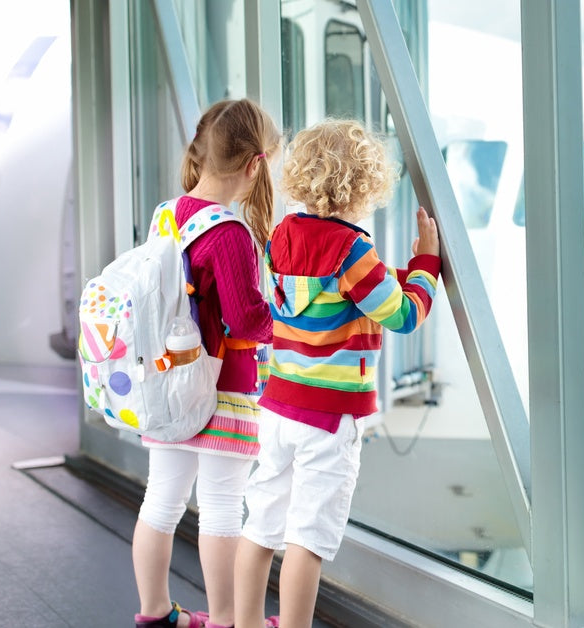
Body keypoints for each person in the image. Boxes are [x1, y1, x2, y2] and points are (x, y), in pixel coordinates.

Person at [233, 119, 441, 628]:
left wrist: (390, 272)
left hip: (278, 408)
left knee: (261, 524)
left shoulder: (281, 236)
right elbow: (404, 314)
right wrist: (426, 263)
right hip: (328, 420)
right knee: (307, 537)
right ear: (366, 187)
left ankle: (244, 623)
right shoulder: (352, 251)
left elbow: (329, 290)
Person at [132, 98, 279, 628]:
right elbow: (244, 320)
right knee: (221, 507)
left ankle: (154, 611)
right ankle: (224, 620)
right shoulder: (231, 234)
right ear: (254, 165)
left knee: (162, 500)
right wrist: (280, 322)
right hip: (225, 388)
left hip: (168, 380)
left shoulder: (166, 215)